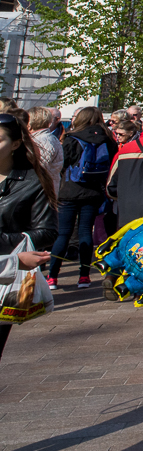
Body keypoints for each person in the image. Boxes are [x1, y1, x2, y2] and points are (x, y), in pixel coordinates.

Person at [0, 112, 57, 360]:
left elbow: (47, 231)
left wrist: (5, 242)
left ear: (14, 145)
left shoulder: (32, 181)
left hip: (4, 279)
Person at [49, 106, 115, 290]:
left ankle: (53, 276)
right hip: (94, 191)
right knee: (86, 231)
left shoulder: (72, 137)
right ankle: (84, 276)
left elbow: (63, 163)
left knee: (64, 233)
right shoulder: (107, 139)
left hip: (70, 190)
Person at [27, 108, 64, 194]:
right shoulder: (48, 138)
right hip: (44, 188)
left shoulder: (42, 140)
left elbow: (39, 168)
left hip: (40, 190)